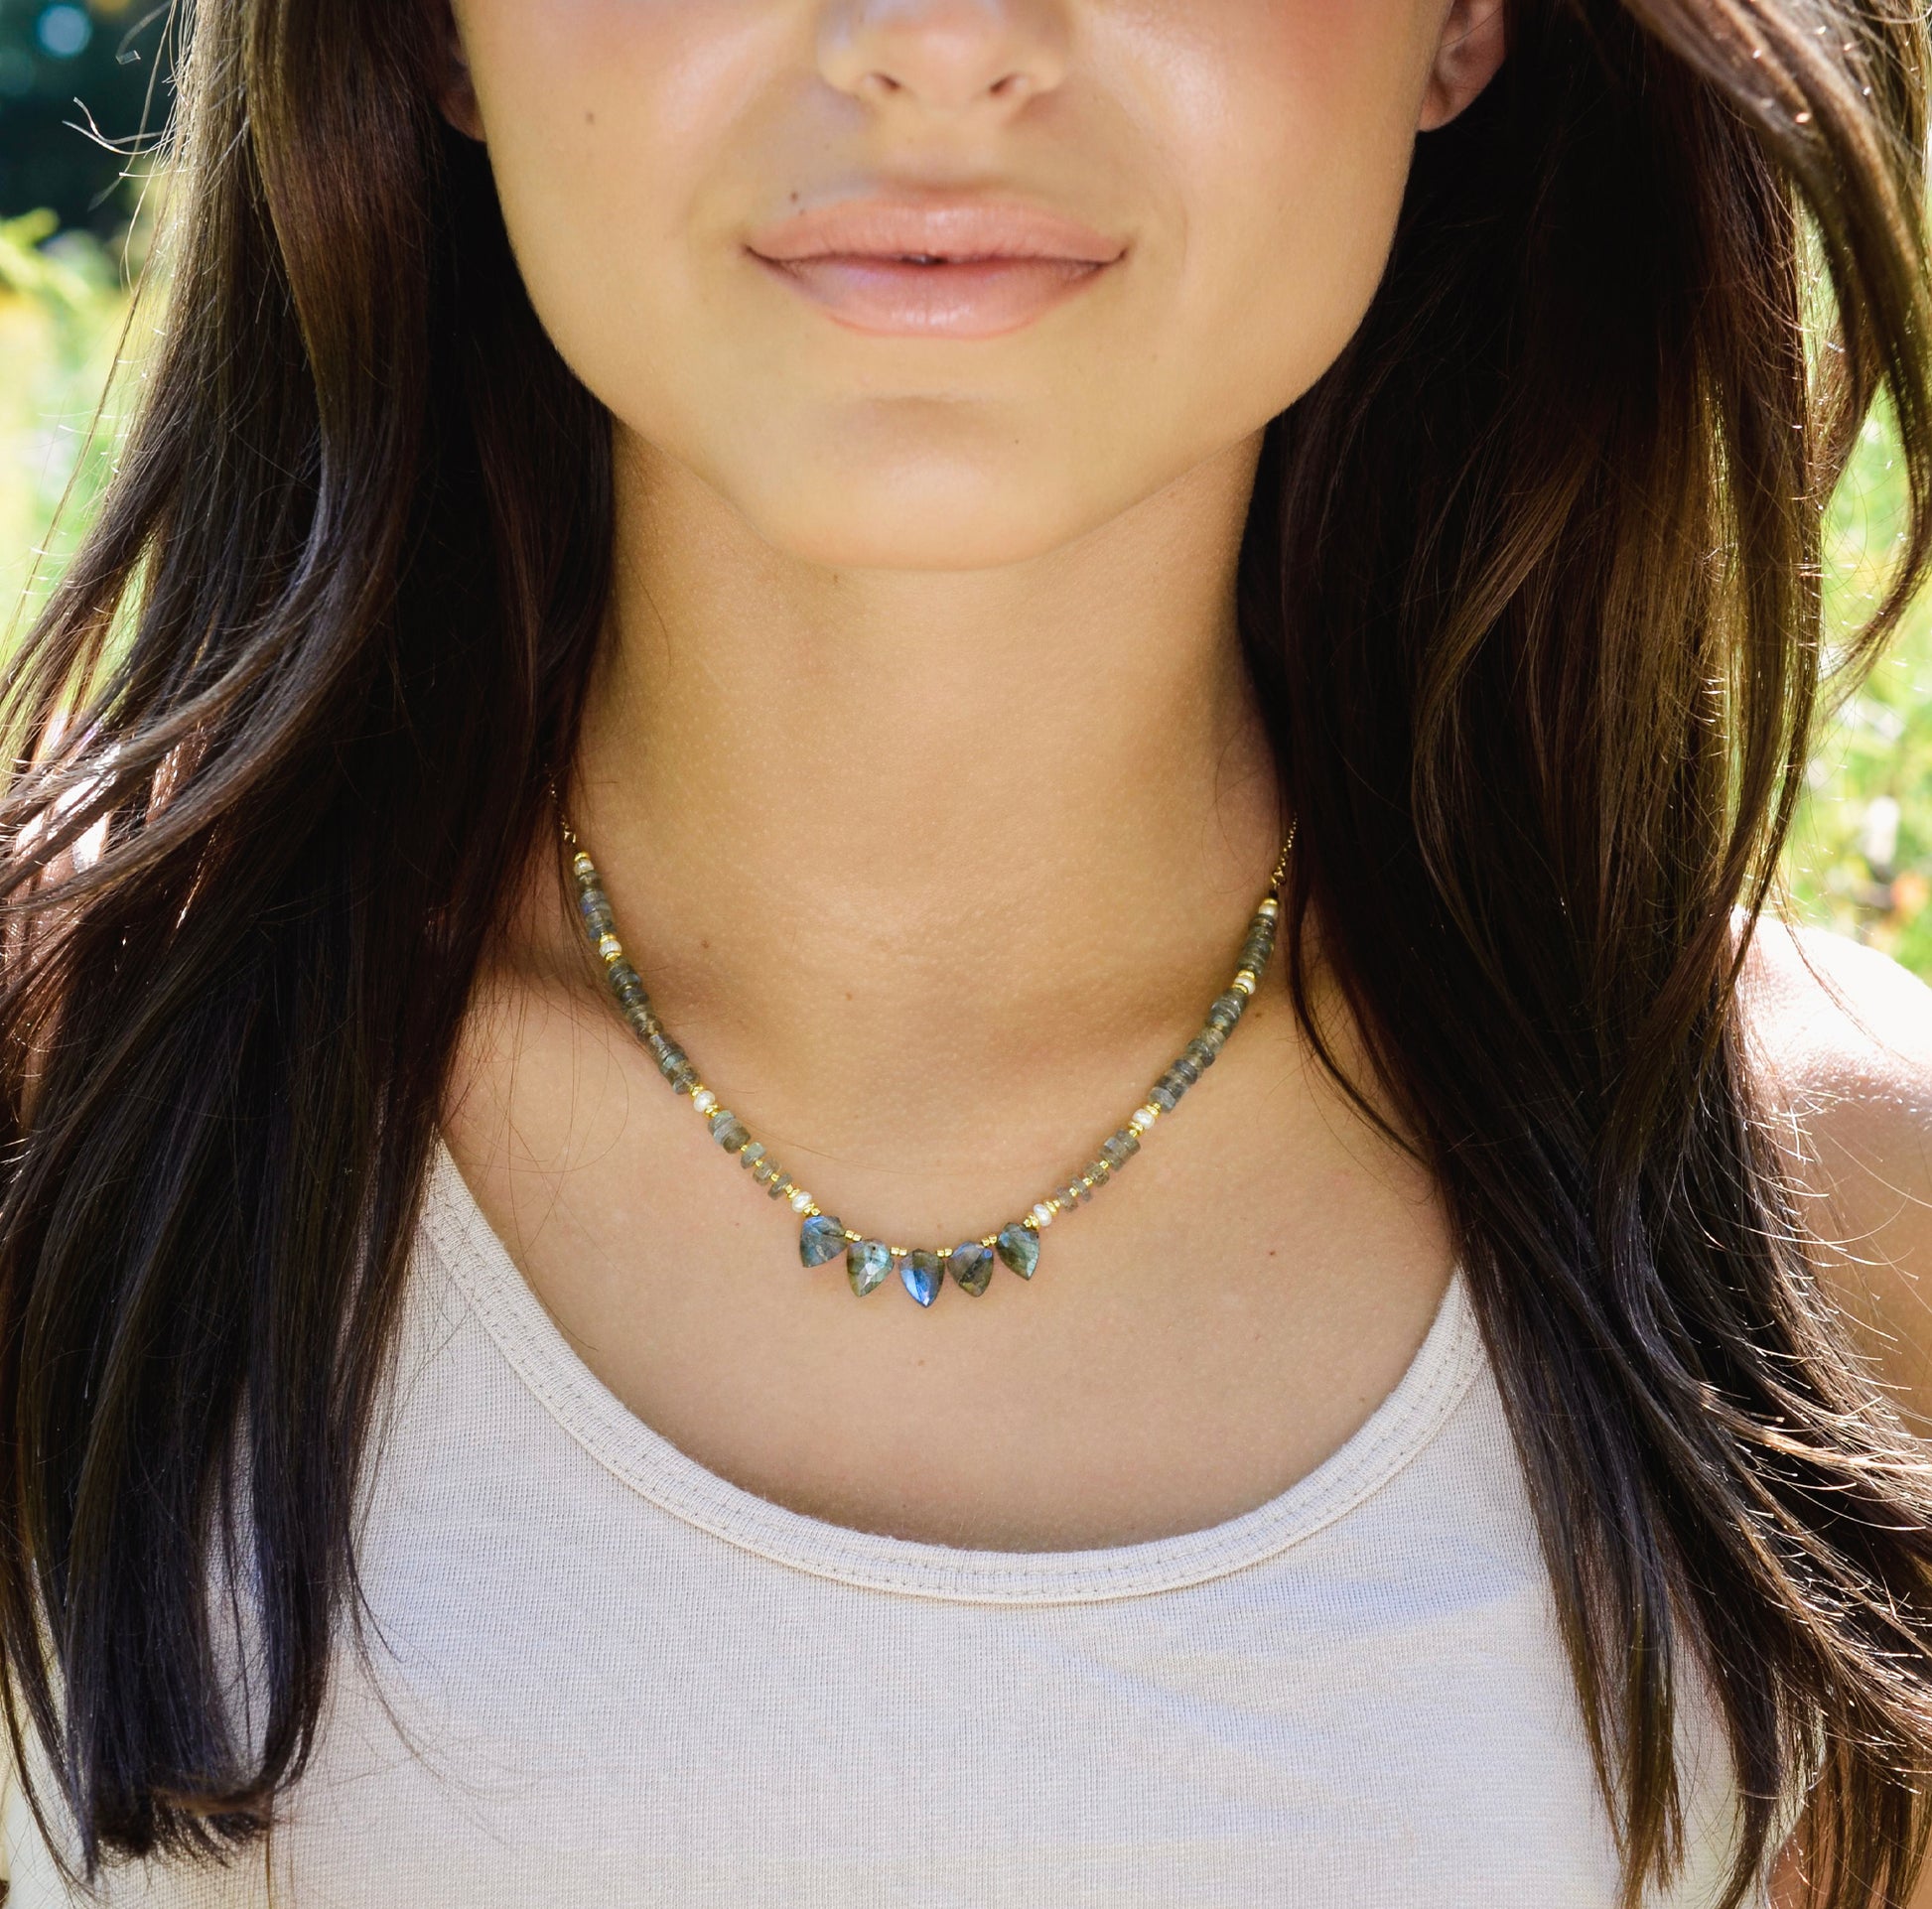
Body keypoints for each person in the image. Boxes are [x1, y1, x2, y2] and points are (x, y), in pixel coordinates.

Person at [0, 0, 1929, 1902]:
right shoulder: (48, 1085)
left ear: (1463, 22)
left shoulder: (1855, 1225)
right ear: (431, 30)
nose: (937, 41)